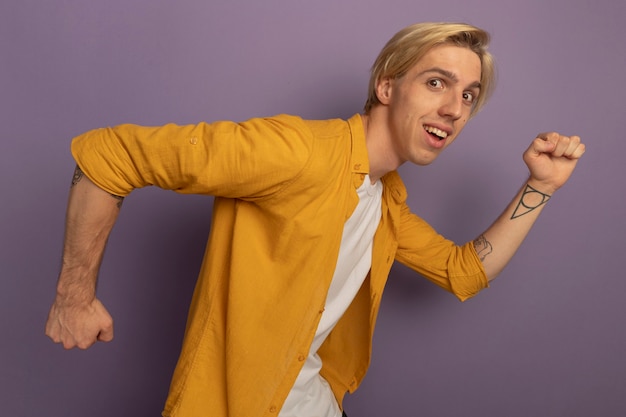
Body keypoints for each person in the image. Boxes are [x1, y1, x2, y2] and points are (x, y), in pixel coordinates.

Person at [45, 22, 585, 417]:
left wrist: (539, 186)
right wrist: (74, 296)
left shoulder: (384, 197)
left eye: (467, 95)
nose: (454, 108)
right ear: (388, 87)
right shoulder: (297, 151)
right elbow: (108, 155)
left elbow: (465, 271)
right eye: (437, 83)